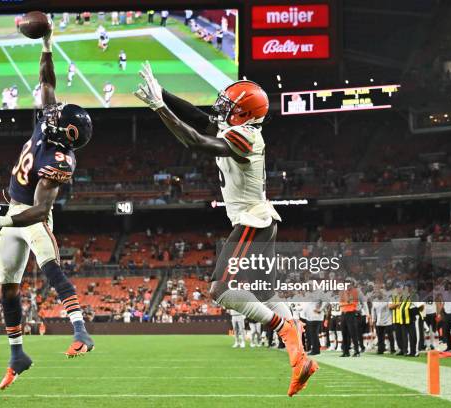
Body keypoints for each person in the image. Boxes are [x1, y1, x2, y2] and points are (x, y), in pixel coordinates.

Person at [134, 62, 317, 397]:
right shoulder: (242, 127)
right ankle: (300, 358)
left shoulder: (247, 138)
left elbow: (196, 142)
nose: (222, 110)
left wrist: (159, 107)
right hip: (263, 220)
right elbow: (200, 118)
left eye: (230, 107)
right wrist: (163, 93)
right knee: (265, 294)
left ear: (244, 114)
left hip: (252, 221)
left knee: (219, 289)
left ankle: (285, 328)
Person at [0, 26, 94, 390]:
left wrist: (2, 219)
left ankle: (81, 332)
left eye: (61, 120)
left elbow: (39, 211)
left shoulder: (60, 161)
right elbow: (46, 81)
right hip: (13, 211)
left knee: (50, 268)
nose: (54, 114)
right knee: (7, 287)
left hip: (28, 215)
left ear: (67, 137)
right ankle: (17, 355)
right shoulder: (49, 122)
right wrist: (47, 43)